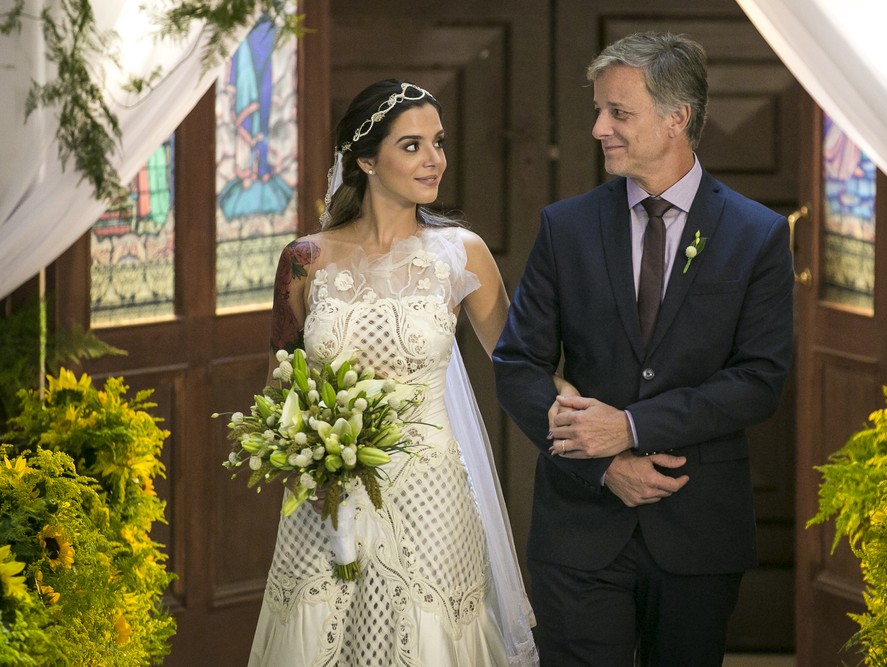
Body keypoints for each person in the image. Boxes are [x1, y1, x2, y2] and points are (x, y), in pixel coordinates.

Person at [493, 32, 795, 667]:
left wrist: (631, 426)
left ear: (676, 117)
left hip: (698, 526)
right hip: (579, 527)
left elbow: (759, 381)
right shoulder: (565, 226)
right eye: (599, 111)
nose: (599, 128)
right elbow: (518, 365)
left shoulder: (758, 234)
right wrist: (604, 465)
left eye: (618, 112)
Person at [249, 79, 549, 666]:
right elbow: (279, 390)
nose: (435, 159)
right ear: (366, 160)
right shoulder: (304, 259)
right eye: (412, 146)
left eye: (439, 142)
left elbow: (520, 364)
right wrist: (305, 463)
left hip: (430, 499)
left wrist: (606, 424)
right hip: (325, 500)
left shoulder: (462, 253)